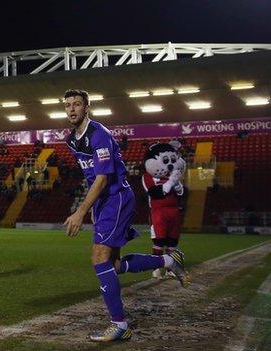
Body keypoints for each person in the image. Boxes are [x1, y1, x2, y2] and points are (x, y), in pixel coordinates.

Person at [62, 89, 189, 342]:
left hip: (116, 198)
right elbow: (91, 177)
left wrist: (81, 210)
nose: (72, 109)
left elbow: (103, 177)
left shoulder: (99, 135)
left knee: (99, 258)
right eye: (68, 105)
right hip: (104, 202)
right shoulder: (71, 140)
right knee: (113, 265)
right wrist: (94, 209)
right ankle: (169, 261)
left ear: (87, 107)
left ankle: (119, 324)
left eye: (77, 104)